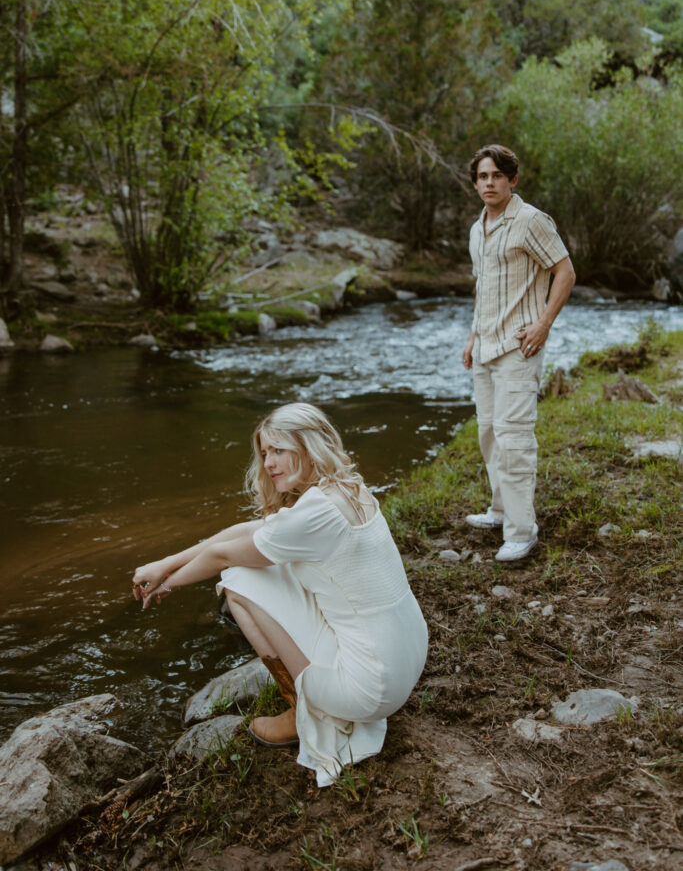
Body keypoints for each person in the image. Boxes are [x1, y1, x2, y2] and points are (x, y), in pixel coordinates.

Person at [132, 402, 428, 788]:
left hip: (370, 689)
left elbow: (224, 554)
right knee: (268, 563)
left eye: (279, 451)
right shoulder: (346, 488)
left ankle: (302, 713)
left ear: (308, 448)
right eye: (265, 452)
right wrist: (167, 562)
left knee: (237, 580)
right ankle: (312, 699)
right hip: (407, 658)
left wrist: (169, 582)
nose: (269, 463)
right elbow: (245, 530)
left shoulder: (313, 513)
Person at [462, 144, 576, 562]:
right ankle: (499, 510)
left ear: (512, 179)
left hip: (518, 345)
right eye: (482, 177)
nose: (489, 183)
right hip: (486, 344)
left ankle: (522, 531)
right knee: (489, 434)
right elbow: (483, 286)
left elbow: (565, 271)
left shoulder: (530, 222)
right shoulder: (479, 228)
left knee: (514, 439)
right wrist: (473, 336)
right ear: (475, 183)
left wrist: (544, 323)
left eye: (496, 176)